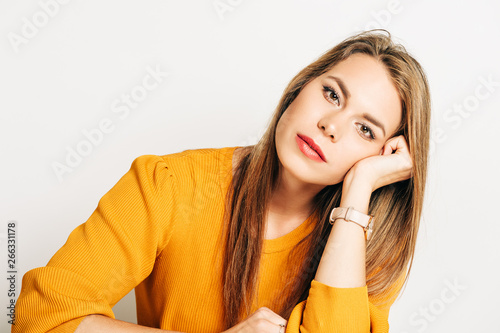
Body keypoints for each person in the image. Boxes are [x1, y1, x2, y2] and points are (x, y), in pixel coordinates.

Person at [13, 29, 430, 333]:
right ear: (302, 86)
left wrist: (358, 195)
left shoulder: (369, 249)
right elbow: (39, 318)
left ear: (383, 158)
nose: (330, 125)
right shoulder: (169, 184)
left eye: (366, 130)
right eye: (332, 94)